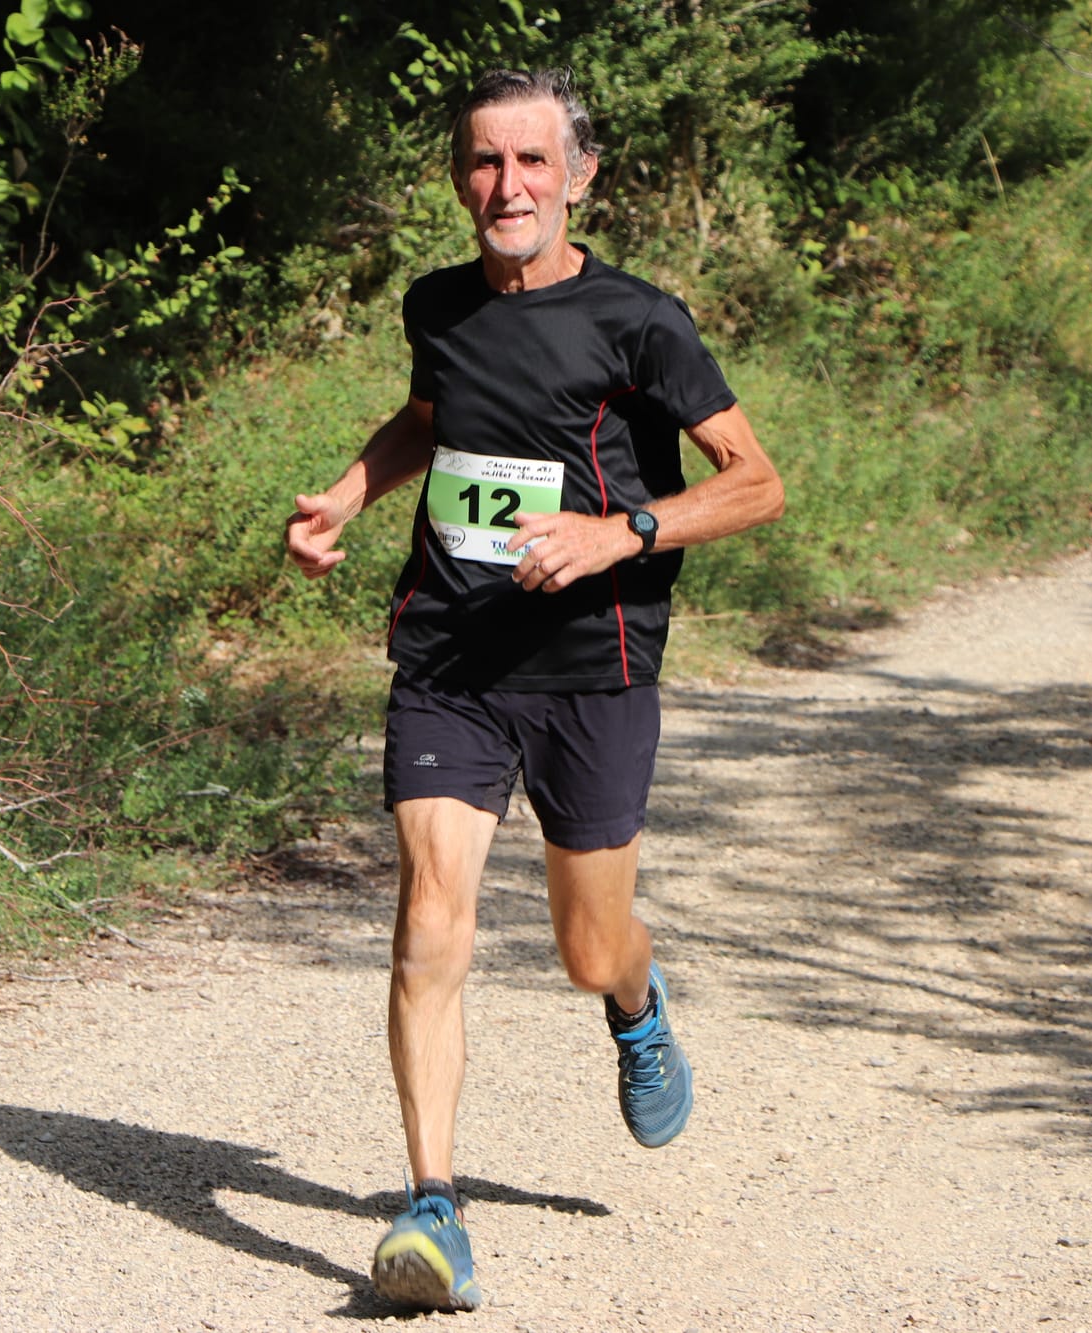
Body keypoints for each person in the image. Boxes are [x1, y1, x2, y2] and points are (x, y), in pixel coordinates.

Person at [284, 67, 784, 1312]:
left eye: (530, 163)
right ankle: (431, 1205)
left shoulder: (639, 320)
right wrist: (349, 491)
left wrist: (623, 532)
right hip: (450, 655)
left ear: (578, 175)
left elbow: (755, 482)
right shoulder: (438, 304)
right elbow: (427, 418)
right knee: (428, 917)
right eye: (480, 163)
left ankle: (634, 997)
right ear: (459, 176)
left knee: (581, 943)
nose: (504, 186)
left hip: (590, 668)